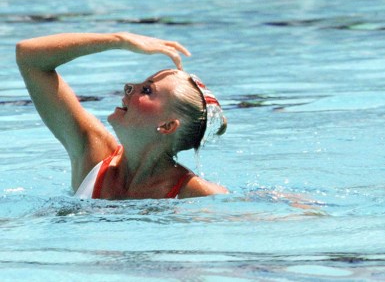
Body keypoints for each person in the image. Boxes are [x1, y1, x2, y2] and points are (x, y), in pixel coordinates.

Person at [16, 32, 229, 199]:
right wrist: (117, 40)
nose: (129, 87)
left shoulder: (194, 193)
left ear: (167, 126)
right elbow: (29, 56)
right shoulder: (92, 153)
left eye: (147, 90)